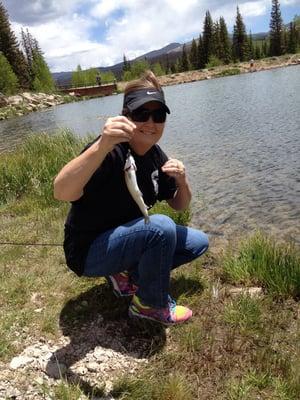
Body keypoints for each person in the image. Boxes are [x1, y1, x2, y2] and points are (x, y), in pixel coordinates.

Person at [54, 70, 209, 326]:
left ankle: (130, 273)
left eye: (158, 115)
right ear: (126, 116)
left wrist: (182, 181)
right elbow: (61, 192)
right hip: (88, 252)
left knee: (198, 242)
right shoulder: (109, 150)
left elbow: (179, 205)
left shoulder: (157, 156)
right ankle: (148, 305)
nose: (151, 122)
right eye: (141, 114)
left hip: (125, 241)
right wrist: (101, 145)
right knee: (160, 228)